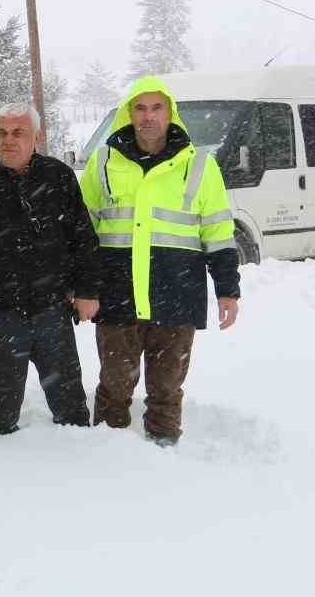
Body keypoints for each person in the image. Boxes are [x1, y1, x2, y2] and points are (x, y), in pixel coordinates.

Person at [79, 76, 241, 445]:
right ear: (128, 113)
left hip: (176, 296)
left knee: (166, 388)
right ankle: (106, 449)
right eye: (140, 108)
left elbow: (218, 232)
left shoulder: (199, 165)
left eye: (156, 108)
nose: (148, 116)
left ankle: (165, 450)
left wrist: (228, 291)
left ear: (170, 113)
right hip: (117, 295)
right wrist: (81, 285)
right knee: (114, 385)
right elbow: (83, 231)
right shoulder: (103, 162)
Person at [0, 104, 97, 434]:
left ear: (36, 137)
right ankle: (1, 460)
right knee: (1, 414)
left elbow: (82, 238)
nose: (8, 140)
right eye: (2, 132)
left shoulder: (58, 176)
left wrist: (87, 290)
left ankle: (81, 459)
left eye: (18, 133)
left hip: (52, 310)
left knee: (71, 410)